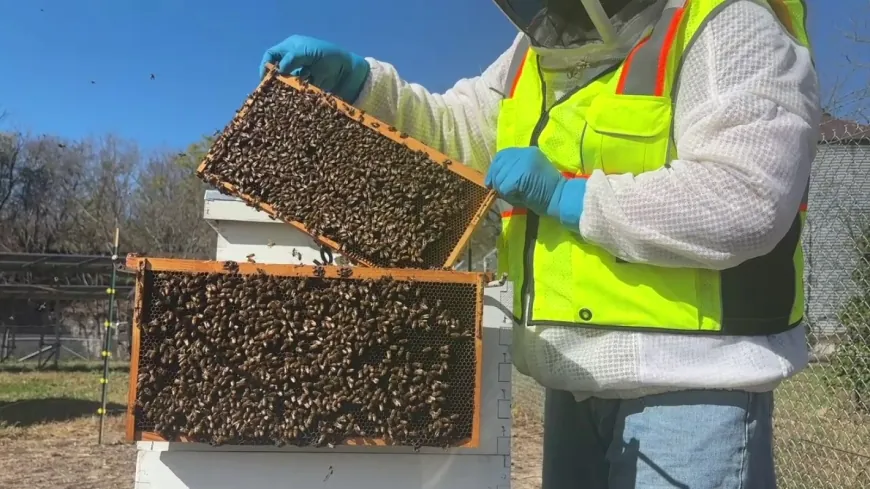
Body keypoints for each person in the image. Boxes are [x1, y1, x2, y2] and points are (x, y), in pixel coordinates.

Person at [259, 0, 820, 487]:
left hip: (693, 392)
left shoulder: (729, 21)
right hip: (572, 383)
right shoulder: (536, 47)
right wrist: (363, 85)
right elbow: (460, 132)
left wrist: (572, 199)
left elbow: (747, 198)